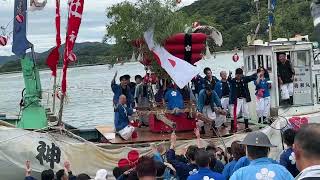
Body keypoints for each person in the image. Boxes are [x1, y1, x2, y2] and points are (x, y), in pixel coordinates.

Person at [229, 68, 257, 132]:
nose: (239, 77)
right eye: (238, 75)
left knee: (246, 112)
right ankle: (232, 128)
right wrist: (229, 75)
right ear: (235, 75)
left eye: (240, 75)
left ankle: (246, 127)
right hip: (236, 100)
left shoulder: (244, 79)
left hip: (244, 99)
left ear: (242, 75)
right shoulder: (233, 80)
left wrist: (258, 72)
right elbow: (229, 80)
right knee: (235, 113)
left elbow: (252, 77)